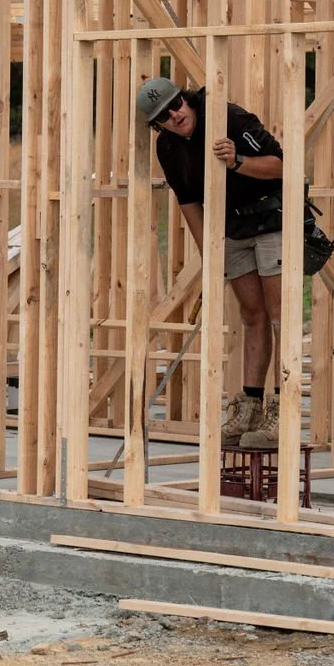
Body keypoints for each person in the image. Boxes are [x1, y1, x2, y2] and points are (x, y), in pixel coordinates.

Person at [137, 76, 284, 445]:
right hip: (232, 229)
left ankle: (284, 409)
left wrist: (237, 162)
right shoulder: (168, 148)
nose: (174, 116)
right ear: (158, 125)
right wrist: (211, 255)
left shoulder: (228, 119)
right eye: (164, 117)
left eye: (176, 105)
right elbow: (189, 203)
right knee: (253, 316)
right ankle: (251, 406)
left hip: (271, 221)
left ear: (185, 99)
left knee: (281, 317)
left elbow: (281, 165)